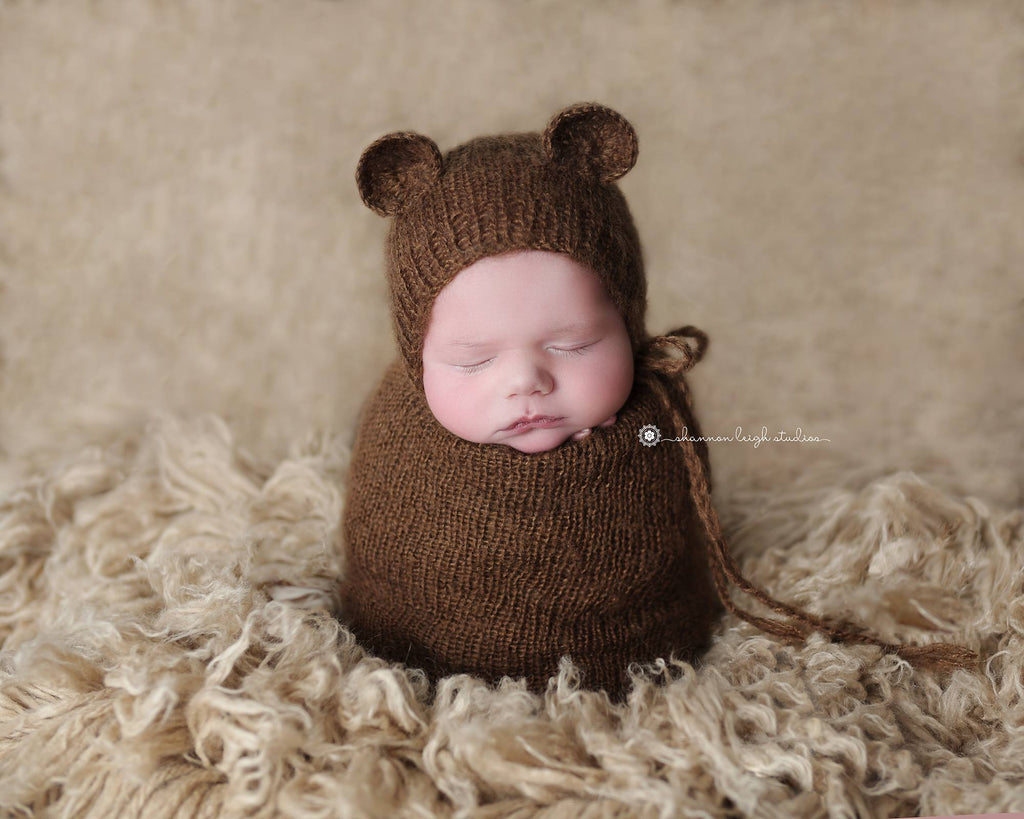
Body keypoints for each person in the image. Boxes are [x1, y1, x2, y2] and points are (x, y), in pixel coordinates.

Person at [341, 103, 975, 698]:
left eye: (573, 345)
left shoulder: (653, 434)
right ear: (417, 354)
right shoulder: (401, 444)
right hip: (422, 661)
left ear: (630, 325)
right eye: (473, 360)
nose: (525, 382)